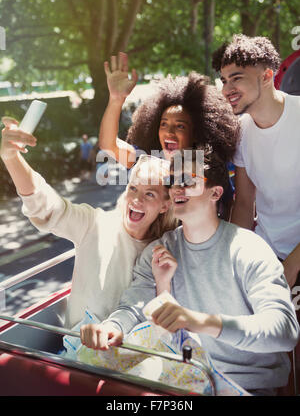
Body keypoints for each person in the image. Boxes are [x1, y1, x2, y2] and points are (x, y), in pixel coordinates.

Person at [79, 147, 299, 396]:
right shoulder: (158, 250)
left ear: (215, 192)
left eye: (187, 181)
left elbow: (284, 330)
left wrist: (198, 321)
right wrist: (112, 327)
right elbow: (133, 306)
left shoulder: (249, 249)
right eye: (172, 182)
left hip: (246, 388)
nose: (176, 189)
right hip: (180, 382)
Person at [0, 117, 177, 329]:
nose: (137, 200)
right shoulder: (96, 224)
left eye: (149, 194)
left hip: (132, 353)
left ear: (165, 206)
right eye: (133, 188)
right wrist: (11, 158)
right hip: (78, 355)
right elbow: (46, 206)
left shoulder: (165, 249)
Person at [99, 52, 240, 219]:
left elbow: (229, 206)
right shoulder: (148, 161)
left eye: (180, 126)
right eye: (163, 124)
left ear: (196, 133)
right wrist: (116, 100)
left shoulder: (208, 169)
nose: (169, 132)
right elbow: (109, 145)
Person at [212, 34, 300, 289]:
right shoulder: (241, 131)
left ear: (266, 76)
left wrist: (293, 265)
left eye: (237, 78)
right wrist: (235, 258)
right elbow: (244, 204)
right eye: (224, 81)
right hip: (267, 255)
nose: (227, 89)